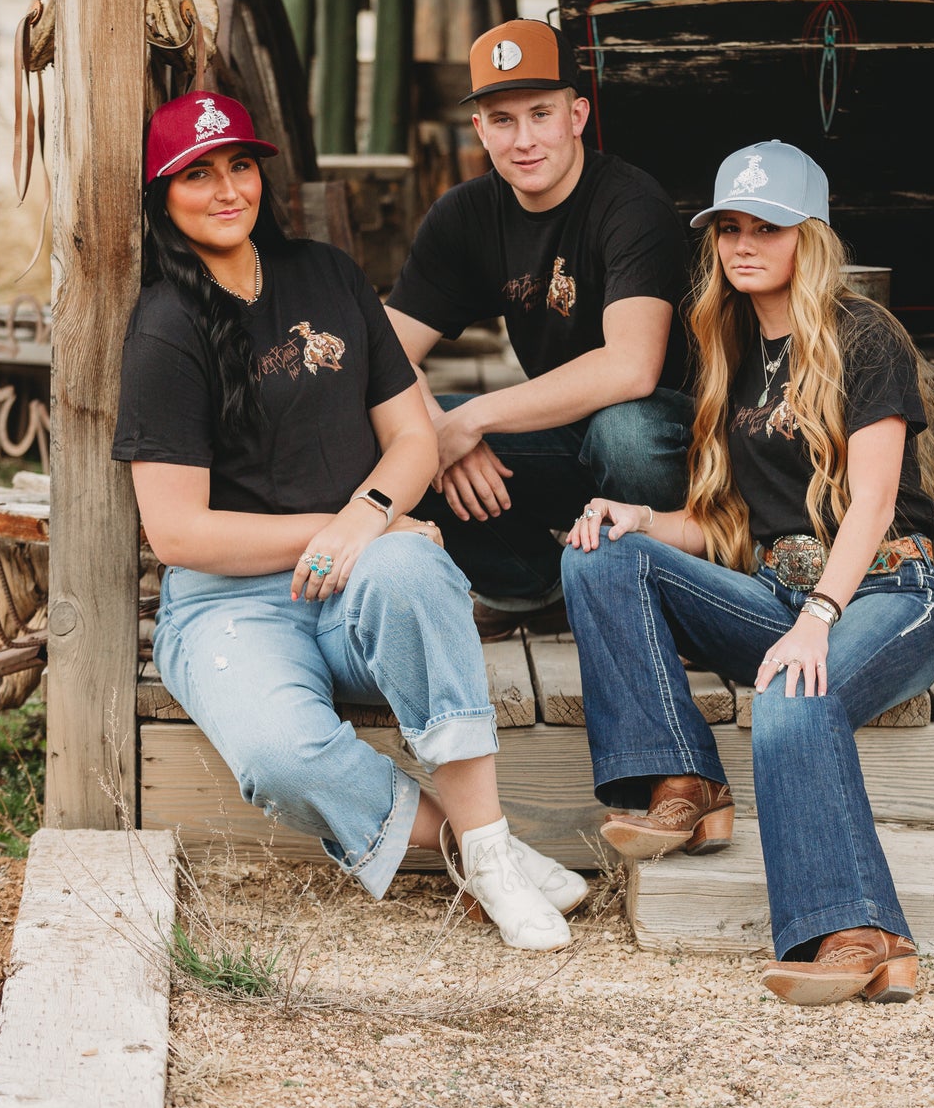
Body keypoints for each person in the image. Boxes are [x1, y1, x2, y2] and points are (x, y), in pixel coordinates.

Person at [114, 90, 585, 951]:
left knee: (411, 565)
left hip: (358, 583)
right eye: (198, 175)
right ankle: (481, 847)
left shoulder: (326, 275)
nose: (227, 190)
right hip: (230, 606)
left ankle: (488, 852)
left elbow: (412, 437)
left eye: (240, 166)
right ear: (162, 195)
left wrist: (365, 520)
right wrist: (331, 530)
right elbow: (177, 533)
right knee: (280, 759)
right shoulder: (166, 327)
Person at [559, 140, 934, 1004]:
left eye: (766, 227)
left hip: (887, 591)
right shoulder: (732, 346)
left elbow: (873, 502)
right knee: (599, 555)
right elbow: (730, 523)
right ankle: (687, 781)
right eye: (729, 227)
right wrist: (642, 519)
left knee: (791, 695)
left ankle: (862, 935)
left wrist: (817, 618)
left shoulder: (865, 335)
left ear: (809, 234)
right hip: (780, 591)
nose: (743, 244)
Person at [383, 19, 693, 638]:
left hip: (672, 445)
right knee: (398, 435)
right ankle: (532, 585)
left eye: (541, 115)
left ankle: (675, 598)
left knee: (624, 433)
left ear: (576, 117)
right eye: (503, 120)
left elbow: (632, 368)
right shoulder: (464, 216)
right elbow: (381, 353)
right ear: (480, 130)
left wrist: (471, 421)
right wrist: (435, 431)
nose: (523, 141)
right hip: (562, 435)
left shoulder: (631, 205)